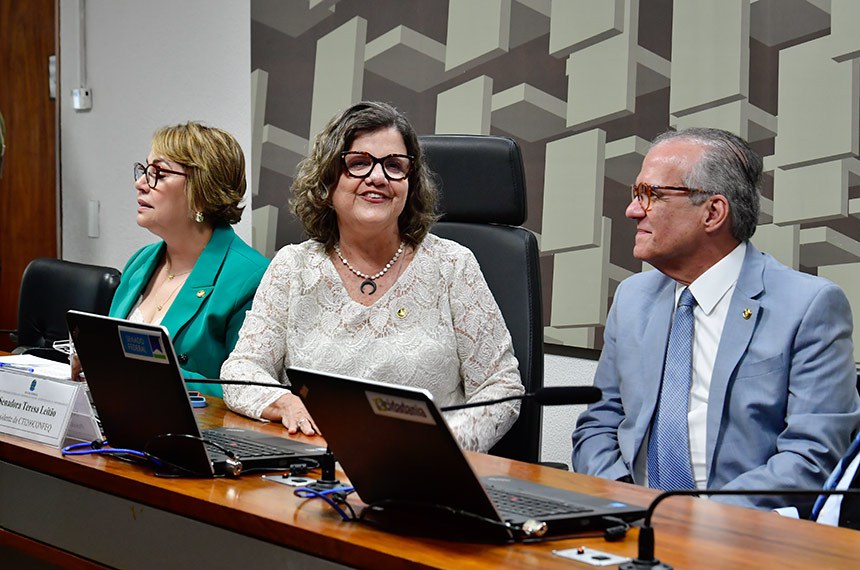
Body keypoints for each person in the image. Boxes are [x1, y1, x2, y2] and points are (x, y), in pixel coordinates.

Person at [571, 127, 860, 516]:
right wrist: (627, 501)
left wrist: (695, 518)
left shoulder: (809, 306)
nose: (633, 210)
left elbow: (813, 456)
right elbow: (599, 422)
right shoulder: (632, 297)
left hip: (741, 531)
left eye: (651, 195)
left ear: (713, 212)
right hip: (629, 522)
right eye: (636, 194)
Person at [220, 101, 524, 453]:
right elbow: (242, 369)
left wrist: (440, 447)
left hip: (427, 475)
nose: (377, 177)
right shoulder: (292, 268)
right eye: (359, 163)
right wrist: (283, 403)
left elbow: (500, 385)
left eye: (394, 165)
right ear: (328, 178)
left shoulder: (452, 265)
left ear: (410, 182)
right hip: (316, 473)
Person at [73, 122, 269, 397]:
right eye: (144, 171)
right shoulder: (140, 262)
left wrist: (136, 369)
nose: (140, 184)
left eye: (159, 173)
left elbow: (247, 392)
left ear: (202, 190)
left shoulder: (251, 277)